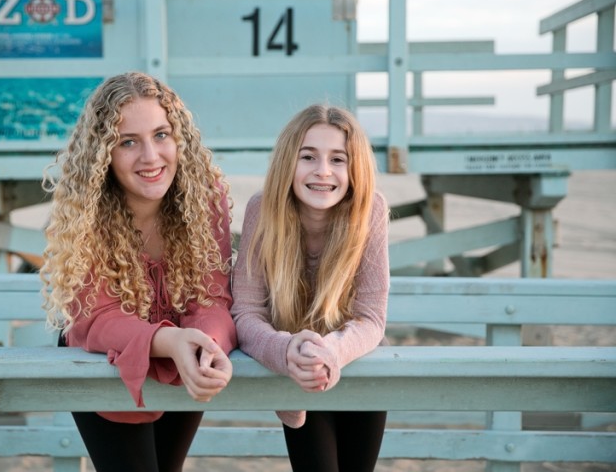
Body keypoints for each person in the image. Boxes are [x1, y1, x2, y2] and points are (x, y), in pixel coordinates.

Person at [40, 72, 237, 472]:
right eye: (128, 142)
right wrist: (174, 339)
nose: (151, 156)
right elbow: (99, 320)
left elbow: (213, 297)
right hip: (103, 365)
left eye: (161, 135)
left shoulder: (203, 195)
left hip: (181, 360)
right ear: (103, 154)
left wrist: (206, 343)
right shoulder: (85, 209)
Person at [231, 104, 389, 472]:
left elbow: (370, 318)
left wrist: (330, 352)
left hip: (356, 361)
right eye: (308, 157)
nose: (323, 171)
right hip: (297, 370)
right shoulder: (263, 209)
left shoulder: (371, 211)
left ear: (355, 168)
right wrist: (287, 351)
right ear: (289, 161)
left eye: (338, 159)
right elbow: (246, 312)